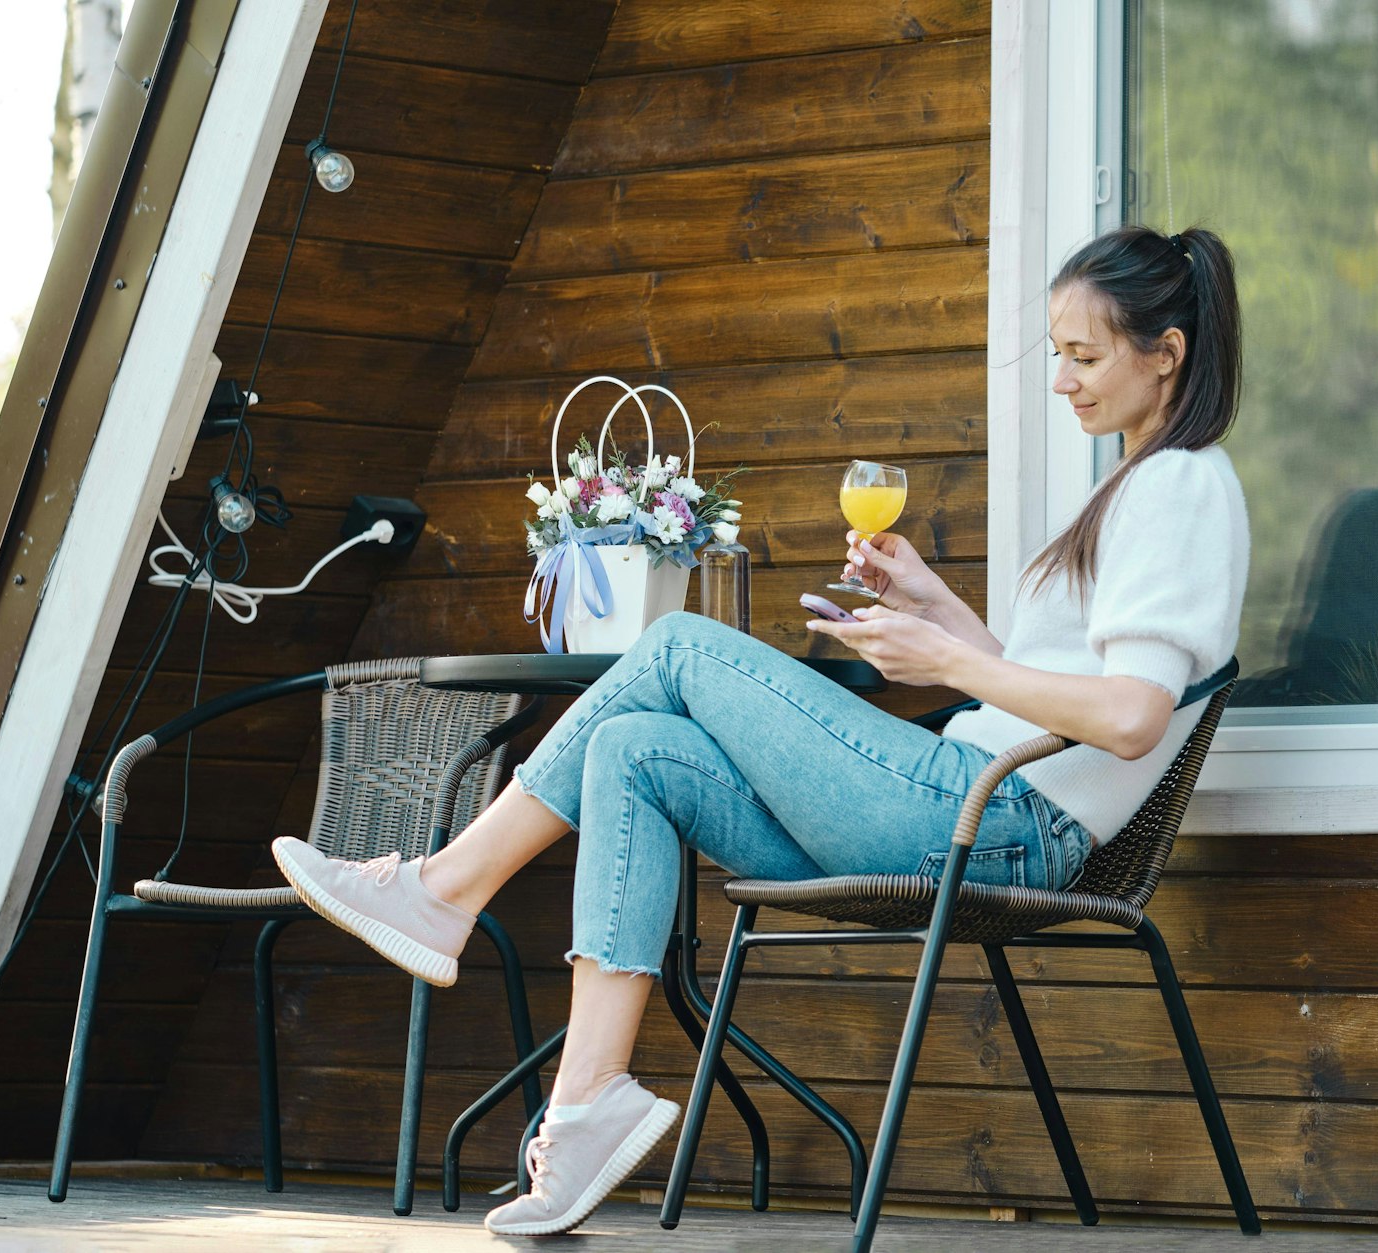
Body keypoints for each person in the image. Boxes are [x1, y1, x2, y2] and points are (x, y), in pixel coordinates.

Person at [269, 223, 1250, 1237]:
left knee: (681, 646)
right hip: (968, 796)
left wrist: (950, 663)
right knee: (631, 750)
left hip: (995, 817)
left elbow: (1132, 719)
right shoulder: (1134, 485)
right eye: (1056, 354)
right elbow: (1057, 687)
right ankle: (585, 1101)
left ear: (1165, 353)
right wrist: (938, 609)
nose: (1061, 381)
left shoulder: (1181, 486)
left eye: (1081, 355)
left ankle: (442, 888)